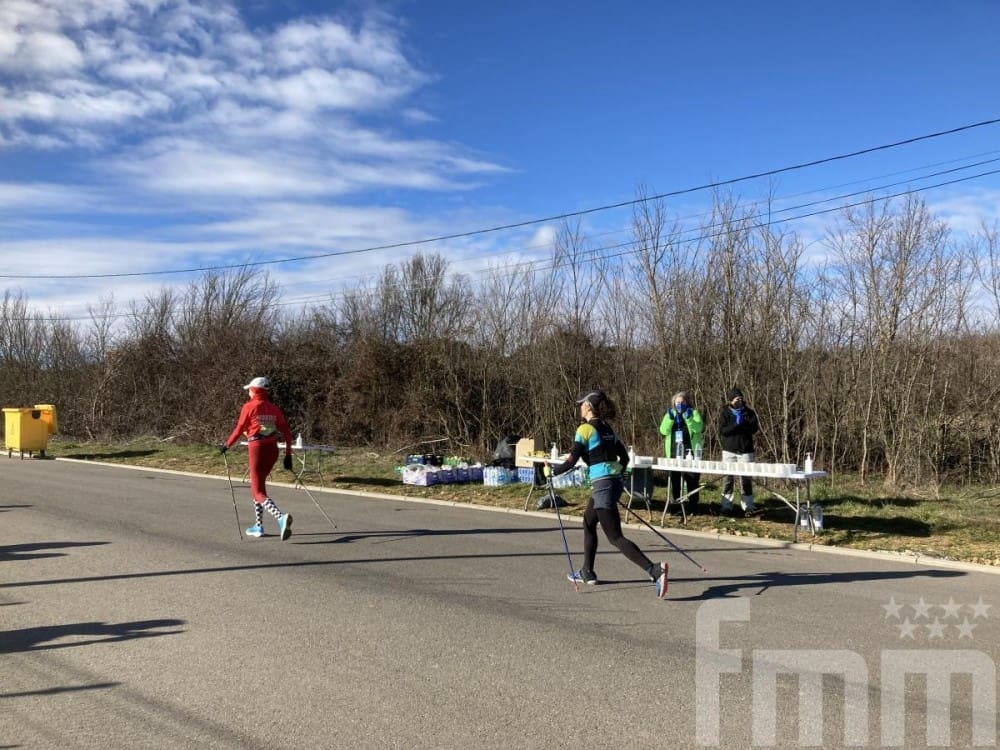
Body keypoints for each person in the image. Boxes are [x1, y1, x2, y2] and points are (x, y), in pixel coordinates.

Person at [549, 390, 669, 598]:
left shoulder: (585, 429)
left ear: (588, 406)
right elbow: (623, 458)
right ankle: (587, 571)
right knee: (588, 521)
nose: (580, 407)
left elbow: (571, 460)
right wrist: (614, 477)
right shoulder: (607, 429)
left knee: (615, 537)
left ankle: (655, 570)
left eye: (582, 404)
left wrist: (551, 473)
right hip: (611, 483)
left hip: (603, 484)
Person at [220, 376, 295, 540]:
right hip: (272, 449)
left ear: (254, 390)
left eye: (249, 390)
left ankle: (280, 518)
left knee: (257, 491)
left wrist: (227, 445)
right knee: (259, 487)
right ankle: (258, 526)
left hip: (257, 449)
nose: (248, 392)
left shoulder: (249, 407)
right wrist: (288, 455)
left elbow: (239, 428)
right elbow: (287, 433)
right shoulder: (274, 409)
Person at [658, 390, 704, 515]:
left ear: (687, 402)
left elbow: (699, 428)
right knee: (676, 481)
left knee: (692, 480)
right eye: (677, 402)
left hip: (690, 452)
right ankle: (677, 506)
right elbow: (663, 431)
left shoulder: (693, 412)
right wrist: (670, 420)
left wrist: (689, 418)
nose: (680, 404)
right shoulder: (670, 414)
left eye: (682, 402)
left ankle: (693, 506)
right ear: (674, 403)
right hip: (674, 452)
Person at [717, 387, 759, 515]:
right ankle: (726, 505)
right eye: (736, 398)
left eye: (740, 398)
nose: (738, 400)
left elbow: (754, 429)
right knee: (728, 478)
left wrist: (743, 424)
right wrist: (736, 424)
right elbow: (724, 431)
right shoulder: (725, 413)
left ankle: (748, 506)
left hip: (745, 450)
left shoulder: (749, 412)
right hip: (729, 450)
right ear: (730, 400)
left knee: (745, 478)